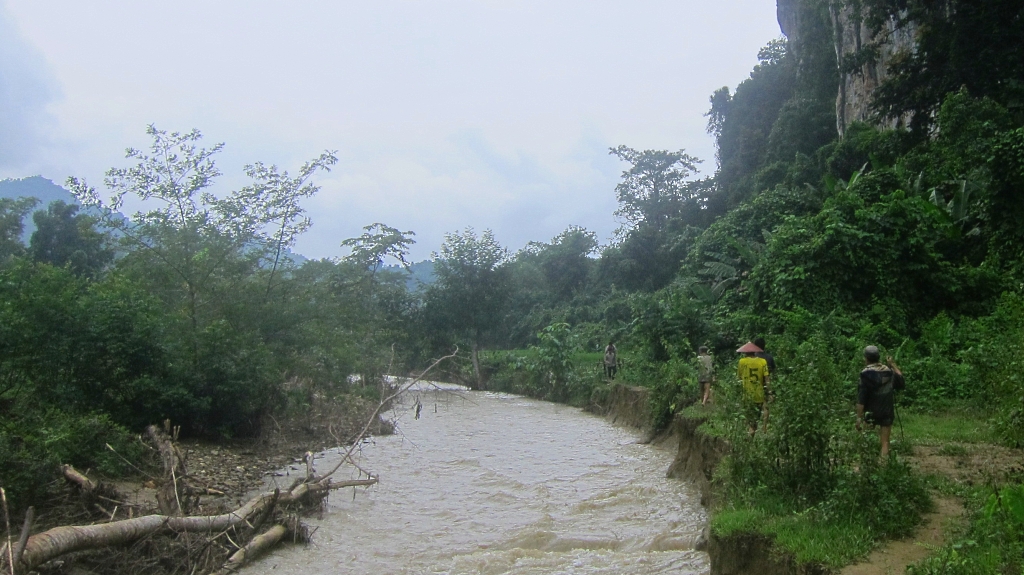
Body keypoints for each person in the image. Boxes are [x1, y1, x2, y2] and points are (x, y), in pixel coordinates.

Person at [857, 345, 904, 458]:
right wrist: (892, 364)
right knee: (885, 443)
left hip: (870, 412)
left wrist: (859, 417)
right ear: (878, 357)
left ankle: (865, 465)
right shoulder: (888, 371)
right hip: (886, 411)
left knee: (865, 439)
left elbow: (861, 399)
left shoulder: (865, 374)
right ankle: (883, 469)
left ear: (866, 358)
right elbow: (901, 382)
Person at [736, 341, 770, 434]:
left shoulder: (742, 361)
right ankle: (753, 433)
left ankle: (750, 433)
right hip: (759, 394)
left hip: (747, 394)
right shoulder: (763, 361)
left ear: (745, 352)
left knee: (749, 418)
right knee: (756, 417)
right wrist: (769, 391)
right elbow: (767, 378)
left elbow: (739, 377)